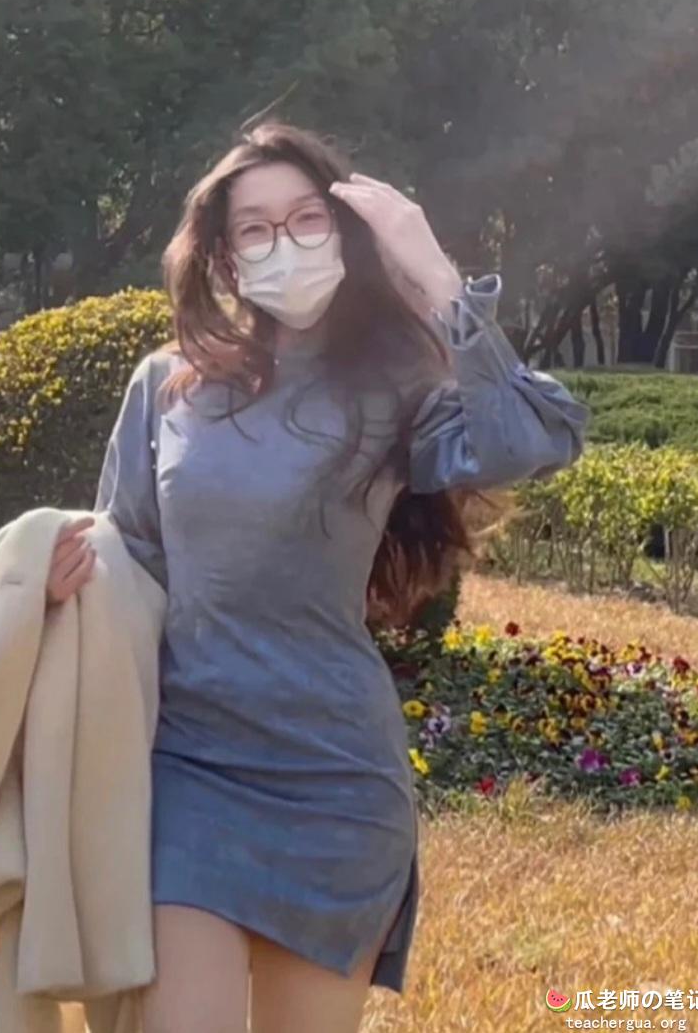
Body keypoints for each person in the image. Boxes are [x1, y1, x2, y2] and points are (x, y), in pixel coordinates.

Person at [45, 121, 590, 1033]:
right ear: (223, 256)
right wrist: (58, 584)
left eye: (308, 218)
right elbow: (130, 552)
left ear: (346, 233)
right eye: (255, 228)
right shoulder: (166, 387)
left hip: (336, 780)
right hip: (189, 768)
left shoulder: (396, 382)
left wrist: (435, 276)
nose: (284, 242)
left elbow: (534, 438)